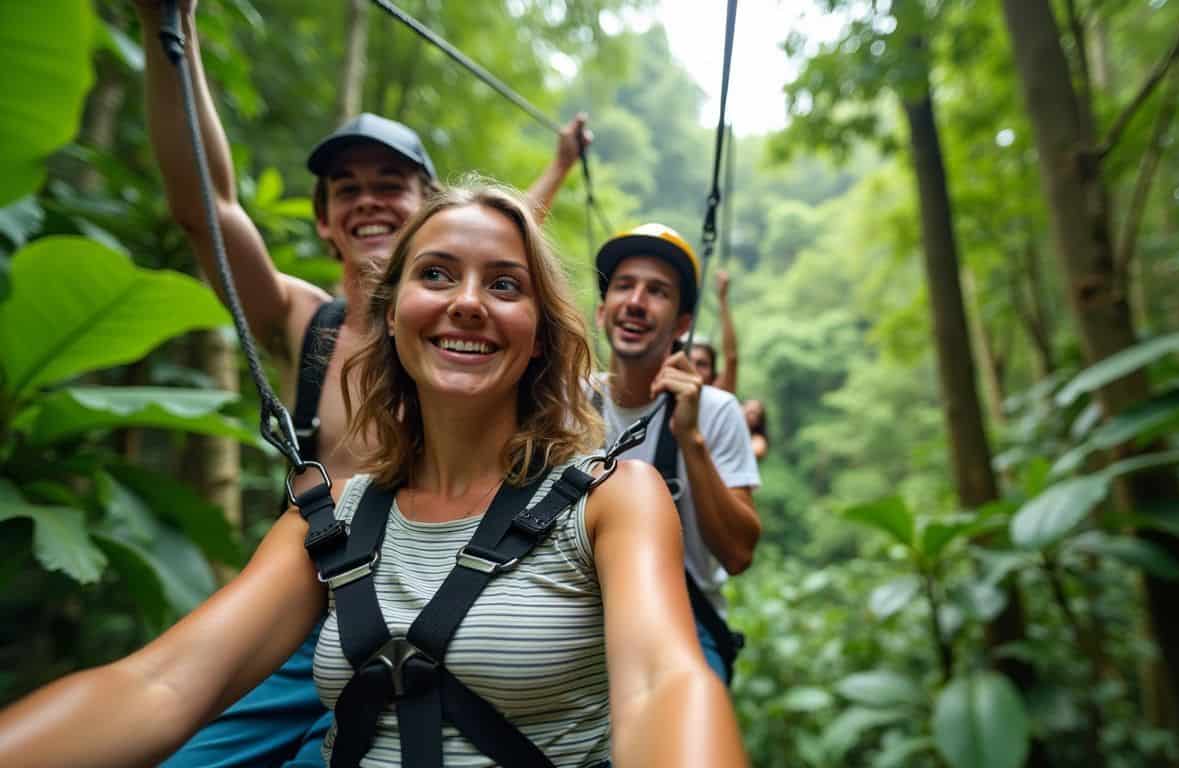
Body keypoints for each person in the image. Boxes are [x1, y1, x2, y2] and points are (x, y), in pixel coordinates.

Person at [0, 184, 748, 768]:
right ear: (391, 316)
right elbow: (159, 685)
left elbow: (659, 687)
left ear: (541, 335)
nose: (466, 302)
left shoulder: (611, 499)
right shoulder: (330, 520)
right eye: (436, 274)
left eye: (506, 286)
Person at [132, 2, 591, 764]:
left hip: (462, 610)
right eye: (346, 189)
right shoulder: (303, 321)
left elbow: (512, 244)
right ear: (324, 222)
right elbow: (204, 210)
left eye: (392, 184)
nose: (369, 200)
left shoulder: (466, 334)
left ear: (427, 211)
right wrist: (165, 26)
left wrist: (559, 166)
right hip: (308, 611)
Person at [591, 224, 762, 684]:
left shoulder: (715, 410)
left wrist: (690, 437)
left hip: (683, 621)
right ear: (601, 312)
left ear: (682, 325)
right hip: (581, 615)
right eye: (624, 286)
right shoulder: (566, 405)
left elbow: (739, 554)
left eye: (657, 291)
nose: (636, 301)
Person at [687, 271, 738, 393]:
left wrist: (723, 299)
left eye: (702, 364)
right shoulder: (661, 396)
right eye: (688, 361)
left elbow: (731, 358)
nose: (693, 369)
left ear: (713, 376)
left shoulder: (717, 400)